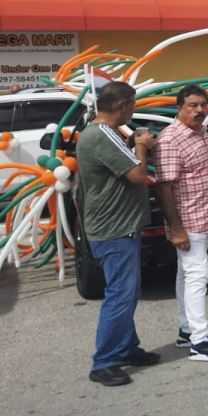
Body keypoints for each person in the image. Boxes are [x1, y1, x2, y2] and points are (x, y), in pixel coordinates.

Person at [79, 81, 159, 386]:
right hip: (114, 229)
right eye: (133, 104)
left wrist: (133, 145)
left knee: (127, 292)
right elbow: (138, 175)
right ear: (122, 105)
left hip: (117, 227)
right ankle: (104, 362)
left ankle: (126, 347)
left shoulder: (105, 134)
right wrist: (141, 145)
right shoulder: (101, 135)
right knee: (120, 295)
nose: (134, 110)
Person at [154, 85, 208, 362]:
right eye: (192, 105)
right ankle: (200, 341)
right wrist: (176, 229)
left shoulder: (199, 134)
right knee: (197, 276)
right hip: (189, 221)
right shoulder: (170, 139)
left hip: (205, 215)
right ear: (179, 108)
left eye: (202, 105)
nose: (200, 110)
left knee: (186, 275)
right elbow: (164, 187)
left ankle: (188, 330)